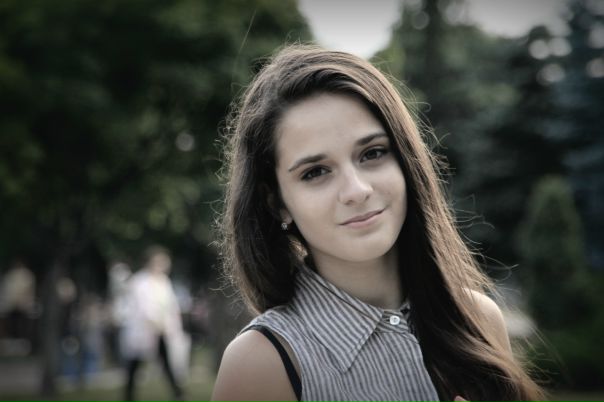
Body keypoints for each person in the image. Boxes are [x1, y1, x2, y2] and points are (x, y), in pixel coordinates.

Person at [211, 45, 544, 402]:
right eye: (315, 172)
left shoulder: (480, 319)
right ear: (277, 203)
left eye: (372, 153)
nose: (357, 190)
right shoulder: (261, 363)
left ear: (405, 160)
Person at [121, 246, 188, 402]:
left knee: (166, 363)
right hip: (144, 331)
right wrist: (156, 322)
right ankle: (128, 396)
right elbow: (143, 307)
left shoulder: (164, 281)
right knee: (134, 365)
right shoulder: (140, 282)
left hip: (161, 331)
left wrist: (169, 326)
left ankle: (179, 394)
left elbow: (171, 306)